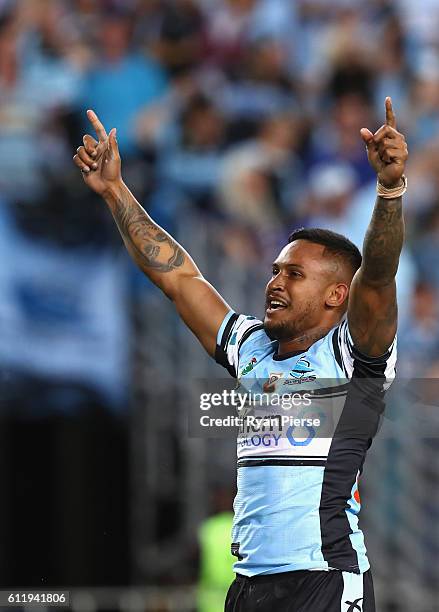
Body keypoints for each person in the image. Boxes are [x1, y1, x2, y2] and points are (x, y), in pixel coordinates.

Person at [73, 97, 408, 611]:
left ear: (336, 296)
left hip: (321, 580)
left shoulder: (352, 355)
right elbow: (181, 279)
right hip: (246, 586)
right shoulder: (252, 348)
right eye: (275, 269)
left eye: (294, 274)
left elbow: (379, 274)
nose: (274, 282)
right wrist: (116, 191)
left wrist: (389, 190)